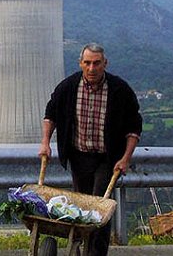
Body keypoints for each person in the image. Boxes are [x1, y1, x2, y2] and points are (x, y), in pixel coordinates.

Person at [38, 43, 142, 256]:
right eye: (87, 63)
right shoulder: (68, 87)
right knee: (81, 207)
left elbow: (133, 127)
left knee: (99, 208)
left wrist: (125, 158)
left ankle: (95, 253)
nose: (92, 68)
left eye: (96, 63)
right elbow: (51, 115)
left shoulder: (120, 90)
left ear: (105, 63)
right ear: (80, 63)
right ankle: (77, 248)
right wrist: (45, 142)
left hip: (107, 159)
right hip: (78, 157)